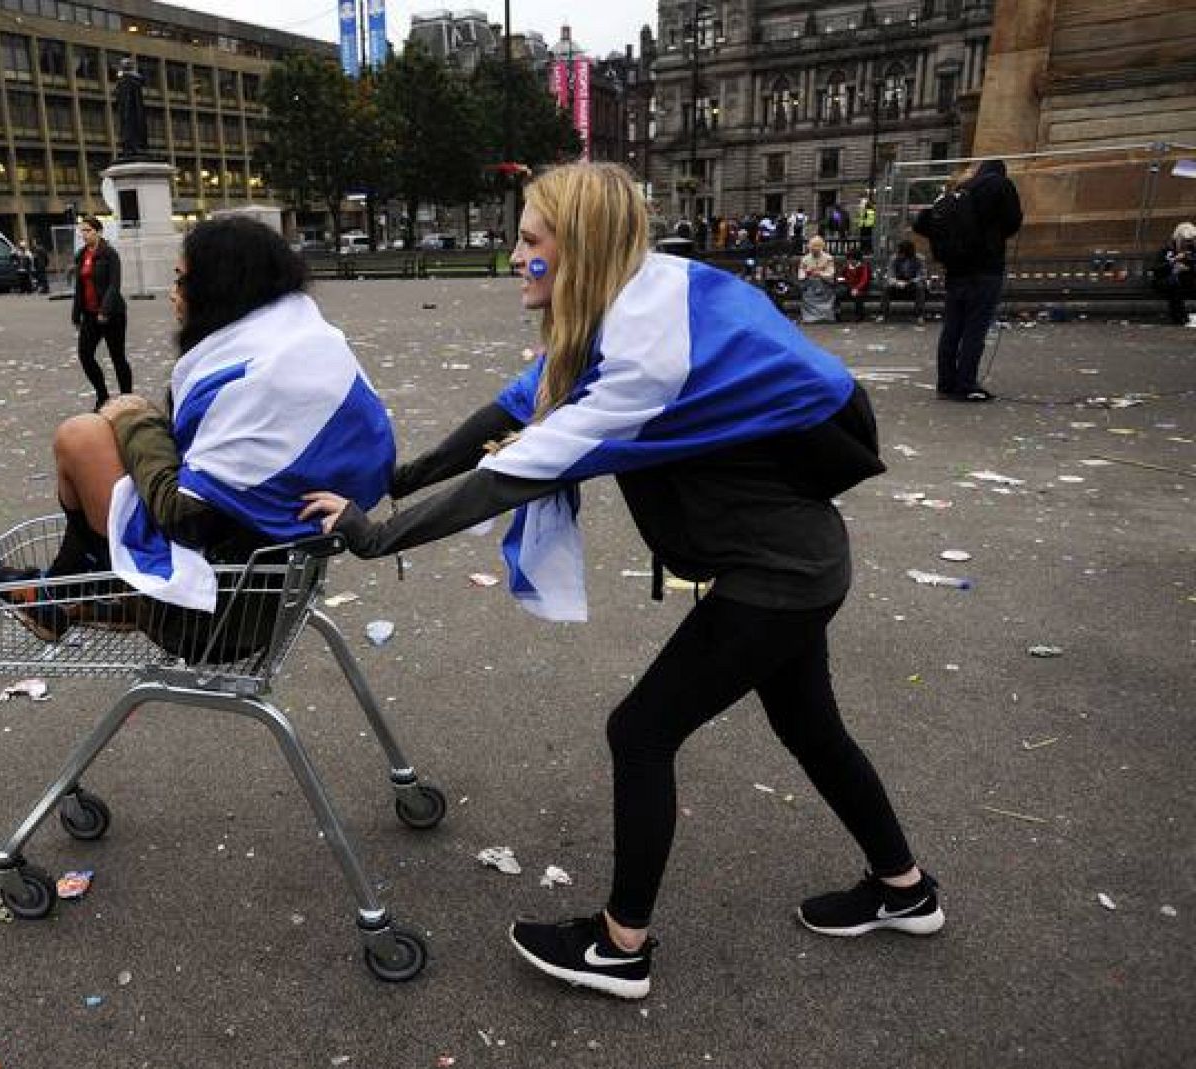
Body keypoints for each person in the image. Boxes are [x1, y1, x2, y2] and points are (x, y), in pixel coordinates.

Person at [301, 162, 940, 1002]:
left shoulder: (645, 354)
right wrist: (402, 476)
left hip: (778, 575)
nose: (515, 257)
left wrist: (375, 533)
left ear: (579, 247)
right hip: (795, 560)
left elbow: (525, 465)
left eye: (530, 240)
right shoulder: (637, 296)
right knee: (811, 728)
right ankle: (905, 888)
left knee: (641, 731)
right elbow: (517, 406)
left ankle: (619, 945)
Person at [0, 216, 394, 653]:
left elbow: (184, 518)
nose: (173, 293)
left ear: (218, 288)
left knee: (83, 436)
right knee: (126, 435)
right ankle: (62, 593)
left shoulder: (258, 382)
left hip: (209, 615)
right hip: (269, 591)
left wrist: (137, 420)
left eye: (181, 280)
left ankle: (64, 594)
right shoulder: (305, 348)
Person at [914, 159, 1022, 402]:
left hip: (956, 271)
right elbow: (1012, 221)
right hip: (985, 269)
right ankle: (966, 383)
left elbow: (924, 223)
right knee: (975, 329)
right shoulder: (1000, 185)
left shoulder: (958, 193)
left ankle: (946, 382)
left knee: (952, 328)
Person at [71, 215, 132, 410]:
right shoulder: (81, 255)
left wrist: (105, 310)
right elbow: (79, 287)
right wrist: (76, 313)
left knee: (117, 358)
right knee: (85, 355)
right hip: (90, 314)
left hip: (112, 314)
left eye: (88, 230)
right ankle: (102, 395)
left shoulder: (110, 254)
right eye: (82, 231)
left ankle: (127, 399)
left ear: (98, 232)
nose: (84, 235)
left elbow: (114, 285)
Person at [1152, 222, 1195, 326]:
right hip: (1168, 282)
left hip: (1188, 283)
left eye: (1190, 241)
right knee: (1174, 288)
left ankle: (1185, 320)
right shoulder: (1166, 251)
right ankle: (1181, 320)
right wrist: (1173, 263)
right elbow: (1156, 269)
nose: (1187, 244)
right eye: (1185, 241)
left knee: (1181, 283)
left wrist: (1188, 268)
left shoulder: (1193, 251)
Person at [881, 240, 927, 323]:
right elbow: (890, 275)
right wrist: (896, 282)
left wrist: (910, 282)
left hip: (912, 283)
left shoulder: (919, 259)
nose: (899, 254)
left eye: (901, 252)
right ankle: (884, 314)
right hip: (897, 283)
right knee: (886, 287)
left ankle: (919, 315)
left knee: (920, 287)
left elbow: (922, 275)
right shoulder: (894, 258)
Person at [798, 235, 837, 322]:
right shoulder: (805, 259)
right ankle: (810, 318)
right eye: (812, 249)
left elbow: (831, 273)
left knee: (827, 292)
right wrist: (806, 273)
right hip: (810, 284)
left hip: (824, 284)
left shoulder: (828, 258)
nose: (814, 251)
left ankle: (826, 317)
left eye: (817, 249)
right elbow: (801, 273)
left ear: (821, 248)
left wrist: (820, 274)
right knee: (807, 293)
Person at [839, 248, 871, 322]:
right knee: (838, 293)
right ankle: (837, 313)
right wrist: (843, 281)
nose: (849, 261)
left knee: (858, 295)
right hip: (848, 287)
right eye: (848, 259)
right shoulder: (846, 267)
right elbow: (840, 277)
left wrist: (856, 288)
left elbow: (864, 280)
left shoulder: (864, 266)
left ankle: (859, 315)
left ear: (857, 260)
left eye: (851, 259)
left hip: (861, 288)